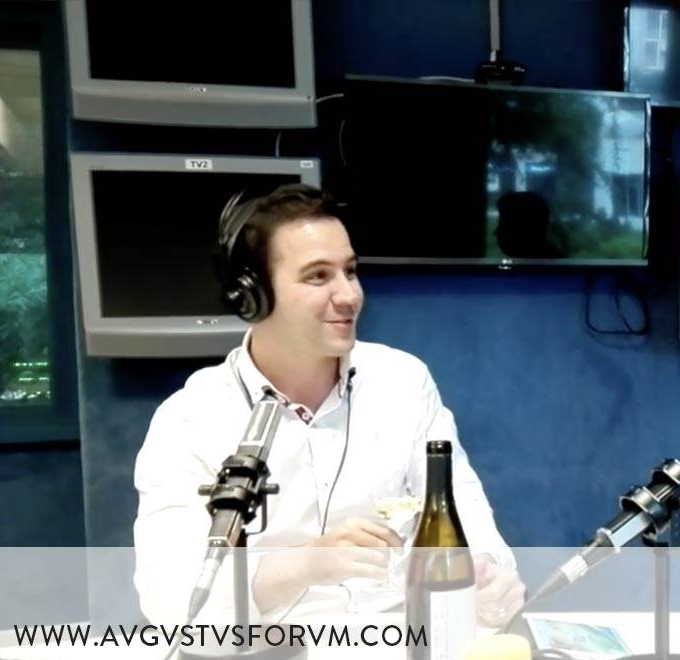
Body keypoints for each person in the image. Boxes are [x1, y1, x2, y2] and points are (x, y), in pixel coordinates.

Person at [133, 184, 524, 626]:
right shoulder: (190, 419)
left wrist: (487, 573)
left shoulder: (403, 382)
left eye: (350, 271)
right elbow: (170, 599)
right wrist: (305, 565)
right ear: (252, 294)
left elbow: (464, 512)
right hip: (272, 649)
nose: (349, 296)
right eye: (318, 276)